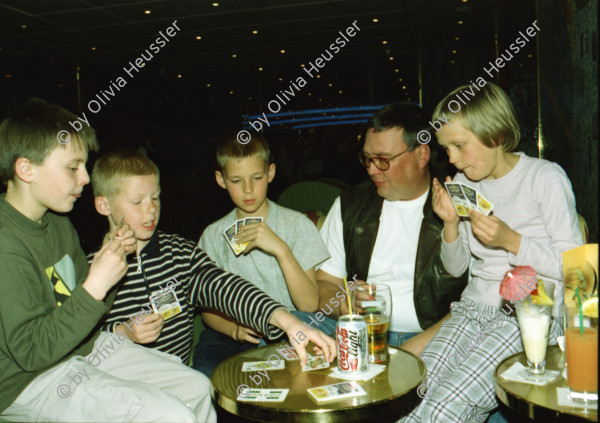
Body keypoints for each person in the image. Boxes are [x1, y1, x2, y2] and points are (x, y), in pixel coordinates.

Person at [0, 100, 333, 423]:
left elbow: (217, 284)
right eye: (73, 167)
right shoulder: (7, 241)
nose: (84, 178)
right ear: (26, 169)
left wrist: (286, 320)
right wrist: (99, 287)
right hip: (28, 379)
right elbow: (32, 351)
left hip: (79, 354)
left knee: (199, 387)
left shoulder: (59, 226)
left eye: (155, 198)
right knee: (168, 414)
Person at [398, 82, 583, 422]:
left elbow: (577, 268)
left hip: (531, 315)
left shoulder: (544, 178)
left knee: (444, 408)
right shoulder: (467, 186)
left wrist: (513, 241)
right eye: (446, 148)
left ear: (496, 135)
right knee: (415, 393)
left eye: (459, 145)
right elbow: (456, 269)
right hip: (471, 310)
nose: (450, 158)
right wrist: (451, 224)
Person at [316, 102, 468, 355]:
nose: (372, 170)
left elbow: (480, 299)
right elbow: (323, 285)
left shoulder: (458, 204)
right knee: (286, 324)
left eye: (383, 160)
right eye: (367, 159)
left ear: (422, 155)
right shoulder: (349, 205)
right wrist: (344, 302)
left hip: (436, 337)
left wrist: (417, 346)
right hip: (362, 332)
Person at [192, 133, 334, 376]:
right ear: (221, 179)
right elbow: (208, 312)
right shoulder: (213, 235)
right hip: (236, 332)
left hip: (294, 325)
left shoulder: (296, 225)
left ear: (270, 173)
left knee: (315, 346)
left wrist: (280, 249)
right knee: (207, 368)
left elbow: (309, 305)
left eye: (257, 178)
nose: (248, 189)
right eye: (236, 181)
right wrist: (232, 328)